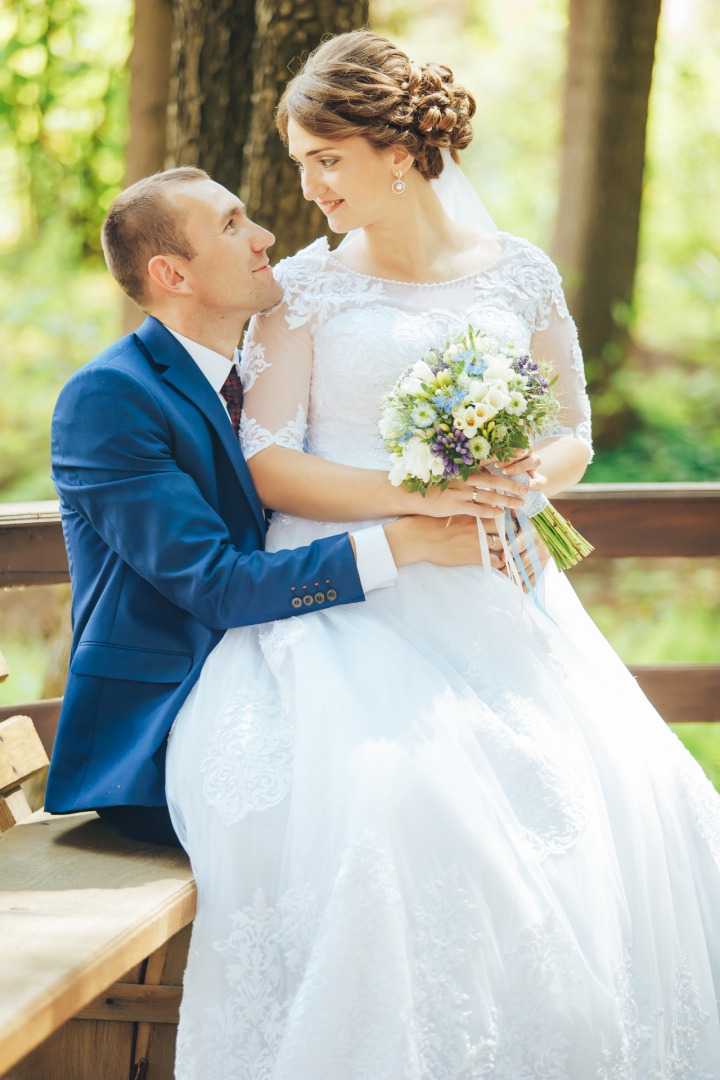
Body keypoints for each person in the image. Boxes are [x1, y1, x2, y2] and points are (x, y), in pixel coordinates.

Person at [166, 31, 720, 1080]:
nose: (310, 186)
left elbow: (572, 430)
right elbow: (270, 462)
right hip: (346, 594)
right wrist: (417, 502)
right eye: (299, 166)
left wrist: (522, 481)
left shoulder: (520, 273)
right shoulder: (303, 291)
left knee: (617, 799)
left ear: (401, 149)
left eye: (326, 159)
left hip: (501, 585)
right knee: (401, 802)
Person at [45, 165, 521, 846]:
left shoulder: (261, 387)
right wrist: (409, 542)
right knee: (404, 797)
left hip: (287, 674)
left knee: (474, 751)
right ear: (173, 276)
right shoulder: (110, 399)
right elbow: (217, 586)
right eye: (232, 226)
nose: (264, 236)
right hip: (166, 728)